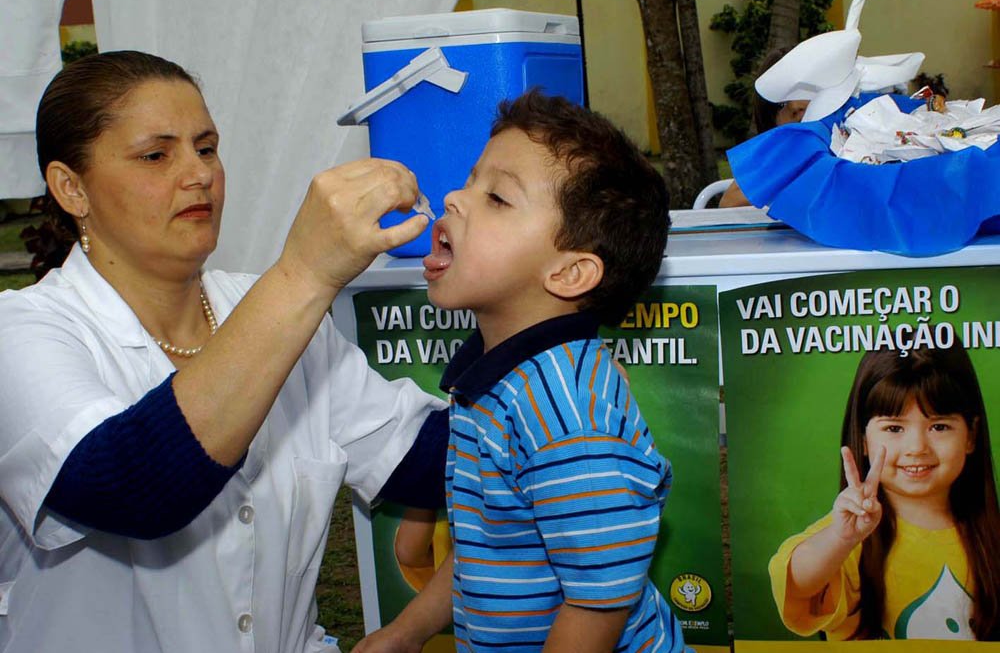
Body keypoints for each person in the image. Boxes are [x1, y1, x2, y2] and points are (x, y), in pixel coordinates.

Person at [0, 50, 449, 653]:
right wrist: (306, 273)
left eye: (206, 148)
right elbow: (130, 487)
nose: (198, 174)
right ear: (71, 188)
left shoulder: (274, 312)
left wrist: (535, 324)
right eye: (156, 155)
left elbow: (428, 463)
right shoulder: (23, 333)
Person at [355, 91, 686, 652]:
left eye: (498, 198)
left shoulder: (570, 424)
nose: (456, 198)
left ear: (570, 273)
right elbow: (485, 544)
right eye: (469, 180)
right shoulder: (493, 382)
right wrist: (406, 632)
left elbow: (597, 607)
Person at [768, 345, 1000, 641]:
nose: (917, 447)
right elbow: (797, 584)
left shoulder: (990, 538)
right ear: (863, 439)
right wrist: (840, 540)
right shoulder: (850, 533)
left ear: (971, 436)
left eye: (939, 426)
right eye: (894, 428)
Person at [719, 47, 808, 208]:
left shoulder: (852, 143)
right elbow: (729, 204)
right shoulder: (775, 159)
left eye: (802, 91)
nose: (795, 106)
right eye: (781, 103)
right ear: (769, 118)